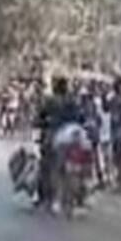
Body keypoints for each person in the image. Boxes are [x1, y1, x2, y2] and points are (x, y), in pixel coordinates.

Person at [34, 74, 87, 209]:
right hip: (74, 136)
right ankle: (80, 196)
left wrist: (41, 123)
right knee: (81, 165)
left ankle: (49, 198)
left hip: (55, 137)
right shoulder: (73, 101)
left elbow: (39, 118)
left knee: (49, 166)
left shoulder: (50, 101)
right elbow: (82, 118)